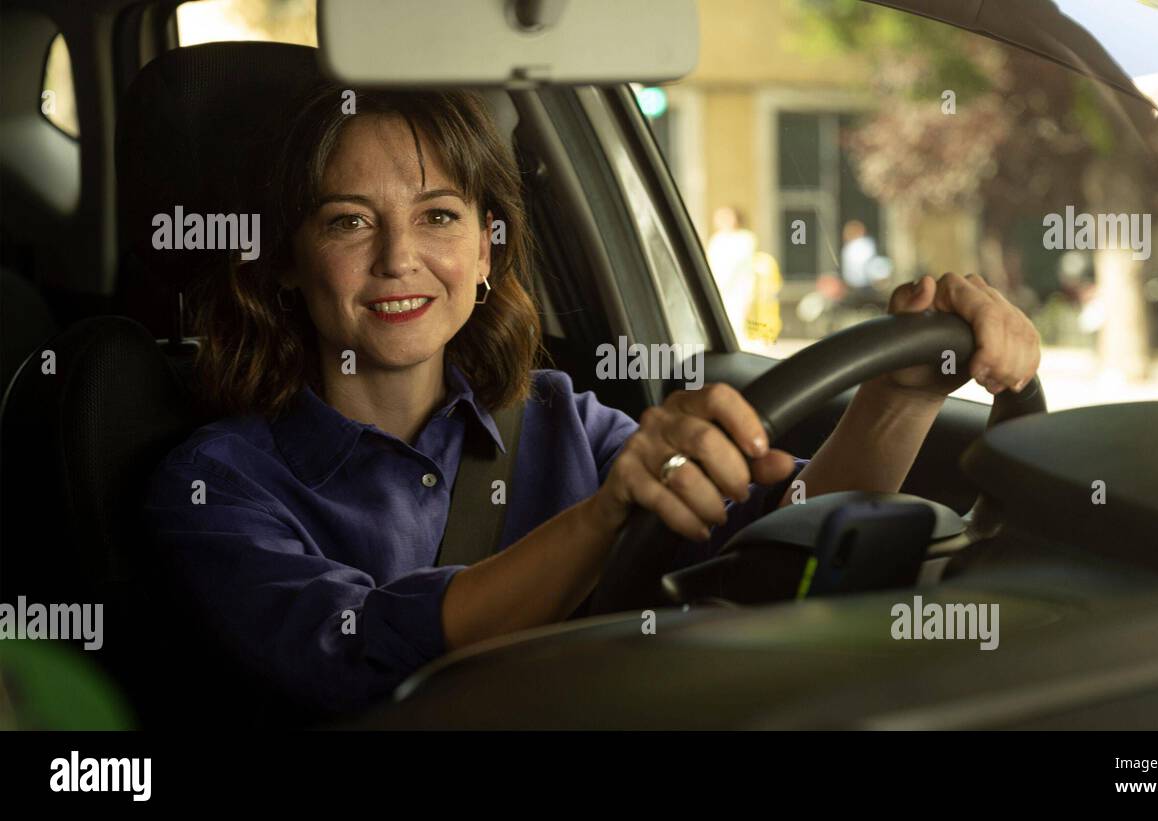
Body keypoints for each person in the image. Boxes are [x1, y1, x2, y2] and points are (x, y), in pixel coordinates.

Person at [142, 84, 1041, 717]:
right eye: (348, 221)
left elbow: (792, 531)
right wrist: (608, 516)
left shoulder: (565, 421)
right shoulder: (218, 487)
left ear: (488, 252)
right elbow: (356, 652)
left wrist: (898, 396)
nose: (397, 258)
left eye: (438, 216)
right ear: (291, 266)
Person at [706, 206, 758, 345]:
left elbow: (739, 265)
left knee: (736, 323)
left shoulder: (745, 238)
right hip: (718, 288)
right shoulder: (717, 239)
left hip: (738, 289)